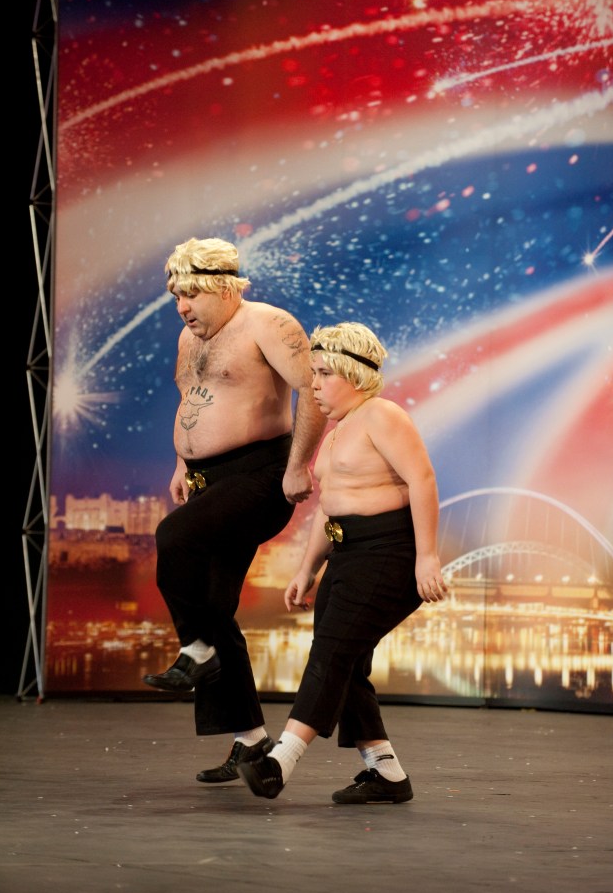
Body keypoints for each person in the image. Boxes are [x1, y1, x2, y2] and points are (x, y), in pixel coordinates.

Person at [236, 321, 448, 804]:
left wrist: (427, 557)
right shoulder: (337, 433)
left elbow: (423, 480)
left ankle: (279, 762)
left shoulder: (382, 415)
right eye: (311, 372)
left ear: (354, 374)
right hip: (348, 554)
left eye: (324, 373)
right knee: (345, 663)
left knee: (331, 653)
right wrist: (308, 568)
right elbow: (328, 505)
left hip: (388, 553)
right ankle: (387, 774)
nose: (312, 384)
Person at [142, 236, 326, 783]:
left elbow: (313, 392)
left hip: (261, 474)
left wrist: (298, 465)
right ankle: (250, 740)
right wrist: (181, 463)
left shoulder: (268, 323)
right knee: (216, 605)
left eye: (191, 295)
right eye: (176, 296)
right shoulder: (187, 335)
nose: (182, 307)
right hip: (206, 480)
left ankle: (195, 649)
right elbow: (191, 400)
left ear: (224, 288)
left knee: (173, 539)